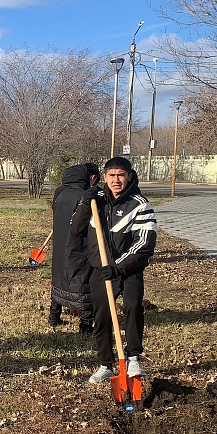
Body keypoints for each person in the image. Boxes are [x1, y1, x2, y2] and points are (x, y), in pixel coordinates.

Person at [70, 156, 157, 384]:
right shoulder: (95, 201)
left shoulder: (140, 204)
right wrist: (83, 204)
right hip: (100, 269)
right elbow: (77, 229)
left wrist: (118, 268)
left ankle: (134, 358)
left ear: (129, 176)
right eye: (111, 175)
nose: (116, 180)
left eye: (121, 175)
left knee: (132, 307)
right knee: (102, 315)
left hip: (128, 269)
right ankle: (105, 364)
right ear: (105, 177)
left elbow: (145, 243)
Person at [49, 163, 99, 334]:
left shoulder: (61, 193)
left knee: (59, 278)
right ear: (90, 176)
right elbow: (79, 227)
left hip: (60, 244)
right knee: (82, 281)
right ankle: (85, 325)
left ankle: (54, 316)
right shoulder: (84, 196)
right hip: (78, 245)